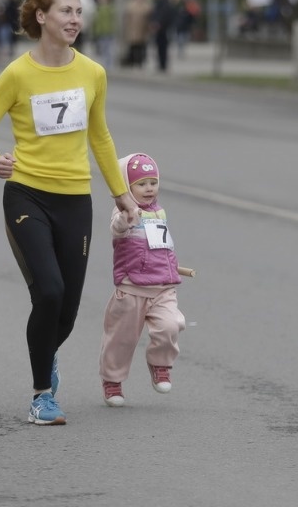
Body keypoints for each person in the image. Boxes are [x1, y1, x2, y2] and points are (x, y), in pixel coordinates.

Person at [0, 0, 137, 426]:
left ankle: (47, 355)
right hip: (26, 193)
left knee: (66, 310)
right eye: (66, 11)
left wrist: (120, 193)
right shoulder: (18, 73)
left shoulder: (92, 73)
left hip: (74, 200)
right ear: (42, 16)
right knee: (48, 291)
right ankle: (42, 394)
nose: (75, 19)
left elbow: (99, 137)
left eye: (79, 12)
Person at [99, 152, 187, 407]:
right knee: (121, 339)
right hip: (132, 288)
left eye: (153, 182)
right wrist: (127, 217)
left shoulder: (160, 212)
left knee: (171, 324)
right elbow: (117, 228)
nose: (149, 189)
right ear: (126, 187)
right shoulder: (123, 213)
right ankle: (112, 381)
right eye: (141, 183)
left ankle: (160, 364)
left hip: (163, 287)